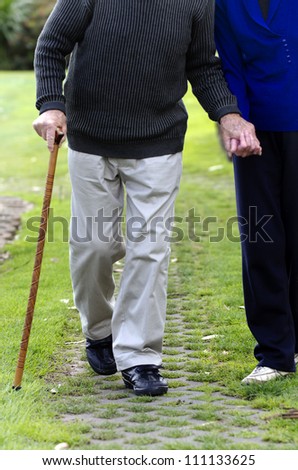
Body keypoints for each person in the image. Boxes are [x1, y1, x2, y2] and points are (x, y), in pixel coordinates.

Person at [32, 0, 261, 396]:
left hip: (159, 142)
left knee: (149, 248)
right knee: (94, 246)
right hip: (91, 139)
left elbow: (202, 64)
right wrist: (51, 106)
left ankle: (139, 357)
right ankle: (100, 330)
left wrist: (228, 114)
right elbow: (51, 46)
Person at [215, 0, 298, 384]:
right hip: (254, 134)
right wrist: (240, 123)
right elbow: (230, 64)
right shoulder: (225, 4)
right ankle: (275, 355)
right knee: (262, 238)